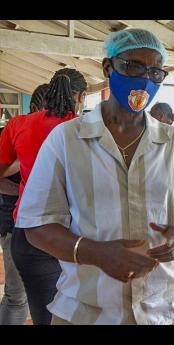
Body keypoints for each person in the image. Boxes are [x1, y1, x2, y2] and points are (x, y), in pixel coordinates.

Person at [15, 28, 174, 325]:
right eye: (133, 66)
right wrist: (97, 254)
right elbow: (36, 225)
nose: (144, 79)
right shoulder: (66, 140)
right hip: (86, 311)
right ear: (108, 67)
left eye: (156, 72)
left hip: (163, 310)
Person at [0, 71, 86, 325]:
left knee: (42, 314)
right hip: (75, 233)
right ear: (81, 96)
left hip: (30, 232)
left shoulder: (19, 125)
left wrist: (27, 180)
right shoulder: (85, 129)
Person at [0, 83, 49, 325]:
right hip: (13, 224)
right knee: (17, 297)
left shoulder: (52, 135)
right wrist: (23, 159)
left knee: (40, 297)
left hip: (42, 227)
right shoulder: (16, 130)